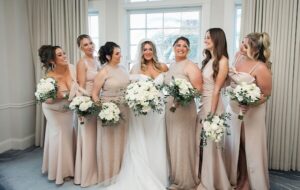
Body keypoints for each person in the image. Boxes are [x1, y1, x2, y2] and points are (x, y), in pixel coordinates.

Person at [107, 39, 169, 190]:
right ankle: (142, 174)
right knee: (142, 139)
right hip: (141, 111)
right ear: (141, 52)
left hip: (158, 109)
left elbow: (170, 85)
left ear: (154, 51)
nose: (147, 52)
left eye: (150, 49)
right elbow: (130, 89)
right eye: (144, 49)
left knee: (157, 140)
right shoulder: (135, 68)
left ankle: (158, 174)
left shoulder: (163, 66)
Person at [225, 32, 272, 190]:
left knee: (248, 146)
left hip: (251, 113)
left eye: (246, 45)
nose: (241, 47)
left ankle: (248, 181)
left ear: (256, 49)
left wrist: (250, 103)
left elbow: (266, 94)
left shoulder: (261, 68)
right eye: (242, 43)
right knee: (236, 145)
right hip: (233, 109)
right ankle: (239, 176)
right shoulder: (238, 56)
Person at [164, 36, 202, 190]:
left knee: (183, 142)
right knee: (173, 142)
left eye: (185, 46)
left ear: (189, 50)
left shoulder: (190, 66)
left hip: (184, 109)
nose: (181, 48)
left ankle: (185, 180)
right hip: (170, 108)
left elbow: (199, 89)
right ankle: (175, 177)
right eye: (178, 45)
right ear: (173, 47)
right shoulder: (172, 65)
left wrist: (182, 97)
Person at [197, 28, 232, 190]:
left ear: (218, 39)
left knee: (212, 143)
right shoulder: (209, 60)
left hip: (213, 104)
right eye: (205, 37)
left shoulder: (223, 61)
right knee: (205, 143)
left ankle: (213, 181)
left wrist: (211, 113)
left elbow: (217, 89)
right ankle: (206, 176)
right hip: (204, 102)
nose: (206, 40)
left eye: (209, 37)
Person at [91, 42, 129, 186]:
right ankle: (110, 175)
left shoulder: (124, 69)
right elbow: (94, 94)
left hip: (125, 110)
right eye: (117, 53)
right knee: (109, 143)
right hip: (109, 111)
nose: (121, 56)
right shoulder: (103, 72)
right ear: (108, 56)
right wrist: (105, 110)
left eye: (120, 53)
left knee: (123, 141)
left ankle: (122, 172)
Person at [39, 45, 77, 185]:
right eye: (60, 55)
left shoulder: (72, 69)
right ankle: (60, 172)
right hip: (53, 109)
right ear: (52, 61)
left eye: (64, 53)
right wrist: (58, 95)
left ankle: (70, 167)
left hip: (68, 109)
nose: (64, 56)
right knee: (59, 136)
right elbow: (46, 99)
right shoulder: (49, 77)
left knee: (67, 135)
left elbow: (78, 87)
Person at [74, 34, 99, 187]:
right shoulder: (81, 63)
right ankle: (87, 175)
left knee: (97, 137)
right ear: (81, 48)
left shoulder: (97, 60)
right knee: (88, 138)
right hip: (87, 102)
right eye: (85, 45)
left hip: (99, 100)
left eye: (90, 43)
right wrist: (83, 106)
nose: (89, 46)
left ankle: (97, 169)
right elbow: (81, 86)